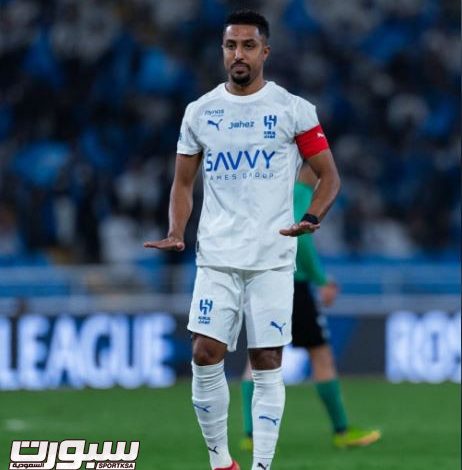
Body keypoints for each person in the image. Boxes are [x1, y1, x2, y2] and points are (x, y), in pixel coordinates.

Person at [144, 10, 340, 470]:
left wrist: (312, 216)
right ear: (222, 51)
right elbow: (182, 183)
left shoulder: (293, 109)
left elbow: (329, 176)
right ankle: (220, 462)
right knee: (204, 352)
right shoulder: (200, 112)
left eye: (248, 45)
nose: (238, 54)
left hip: (272, 257)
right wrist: (176, 229)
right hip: (217, 256)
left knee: (267, 357)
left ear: (264, 52)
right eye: (231, 45)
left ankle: (262, 465)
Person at [240, 165, 381, 452]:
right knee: (321, 354)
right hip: (293, 283)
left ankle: (250, 435)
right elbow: (300, 238)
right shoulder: (300, 192)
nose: (321, 173)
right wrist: (321, 280)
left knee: (258, 356)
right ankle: (342, 431)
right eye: (317, 166)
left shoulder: (269, 189)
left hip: (260, 279)